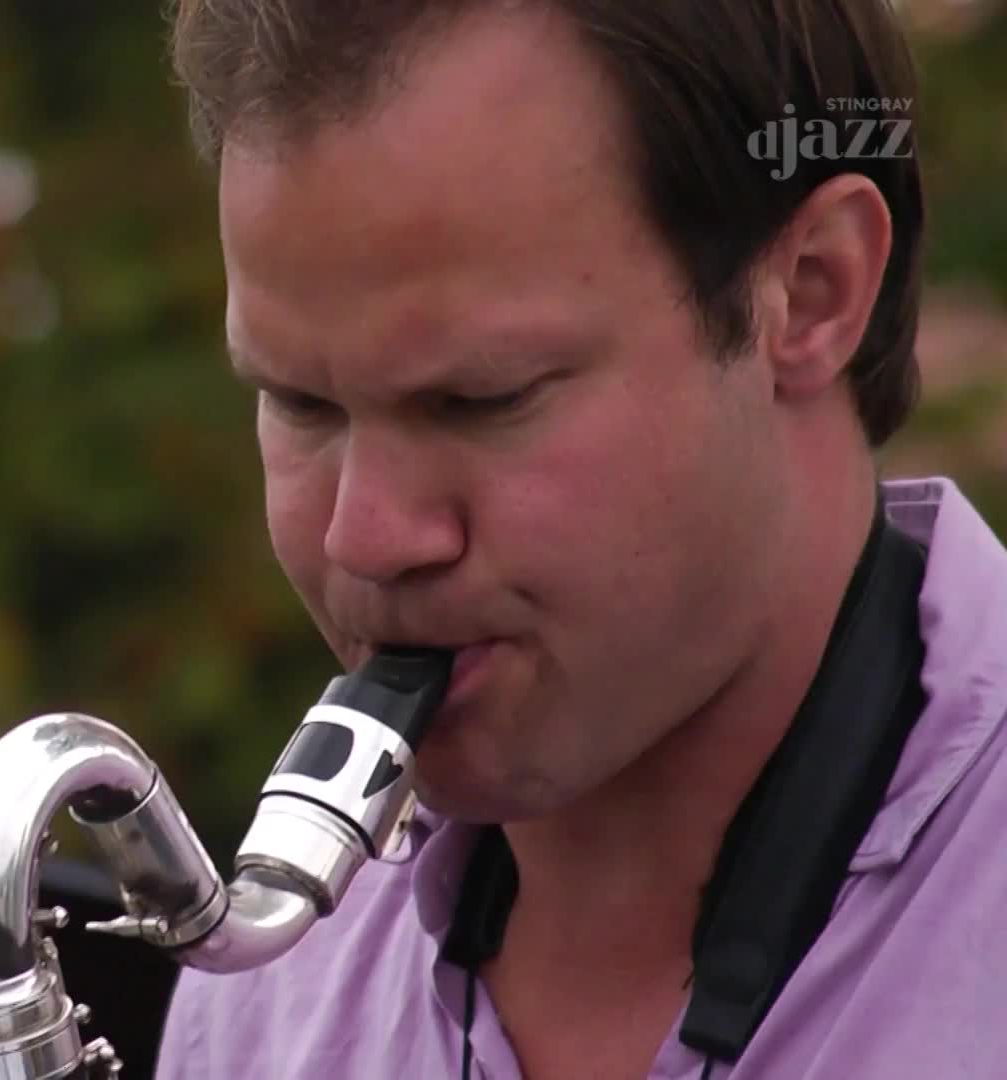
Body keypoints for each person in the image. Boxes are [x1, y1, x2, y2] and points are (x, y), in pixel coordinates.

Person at [153, 2, 1007, 1078]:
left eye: (480, 397)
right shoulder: (267, 991)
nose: (364, 539)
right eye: (300, 403)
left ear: (812, 292)